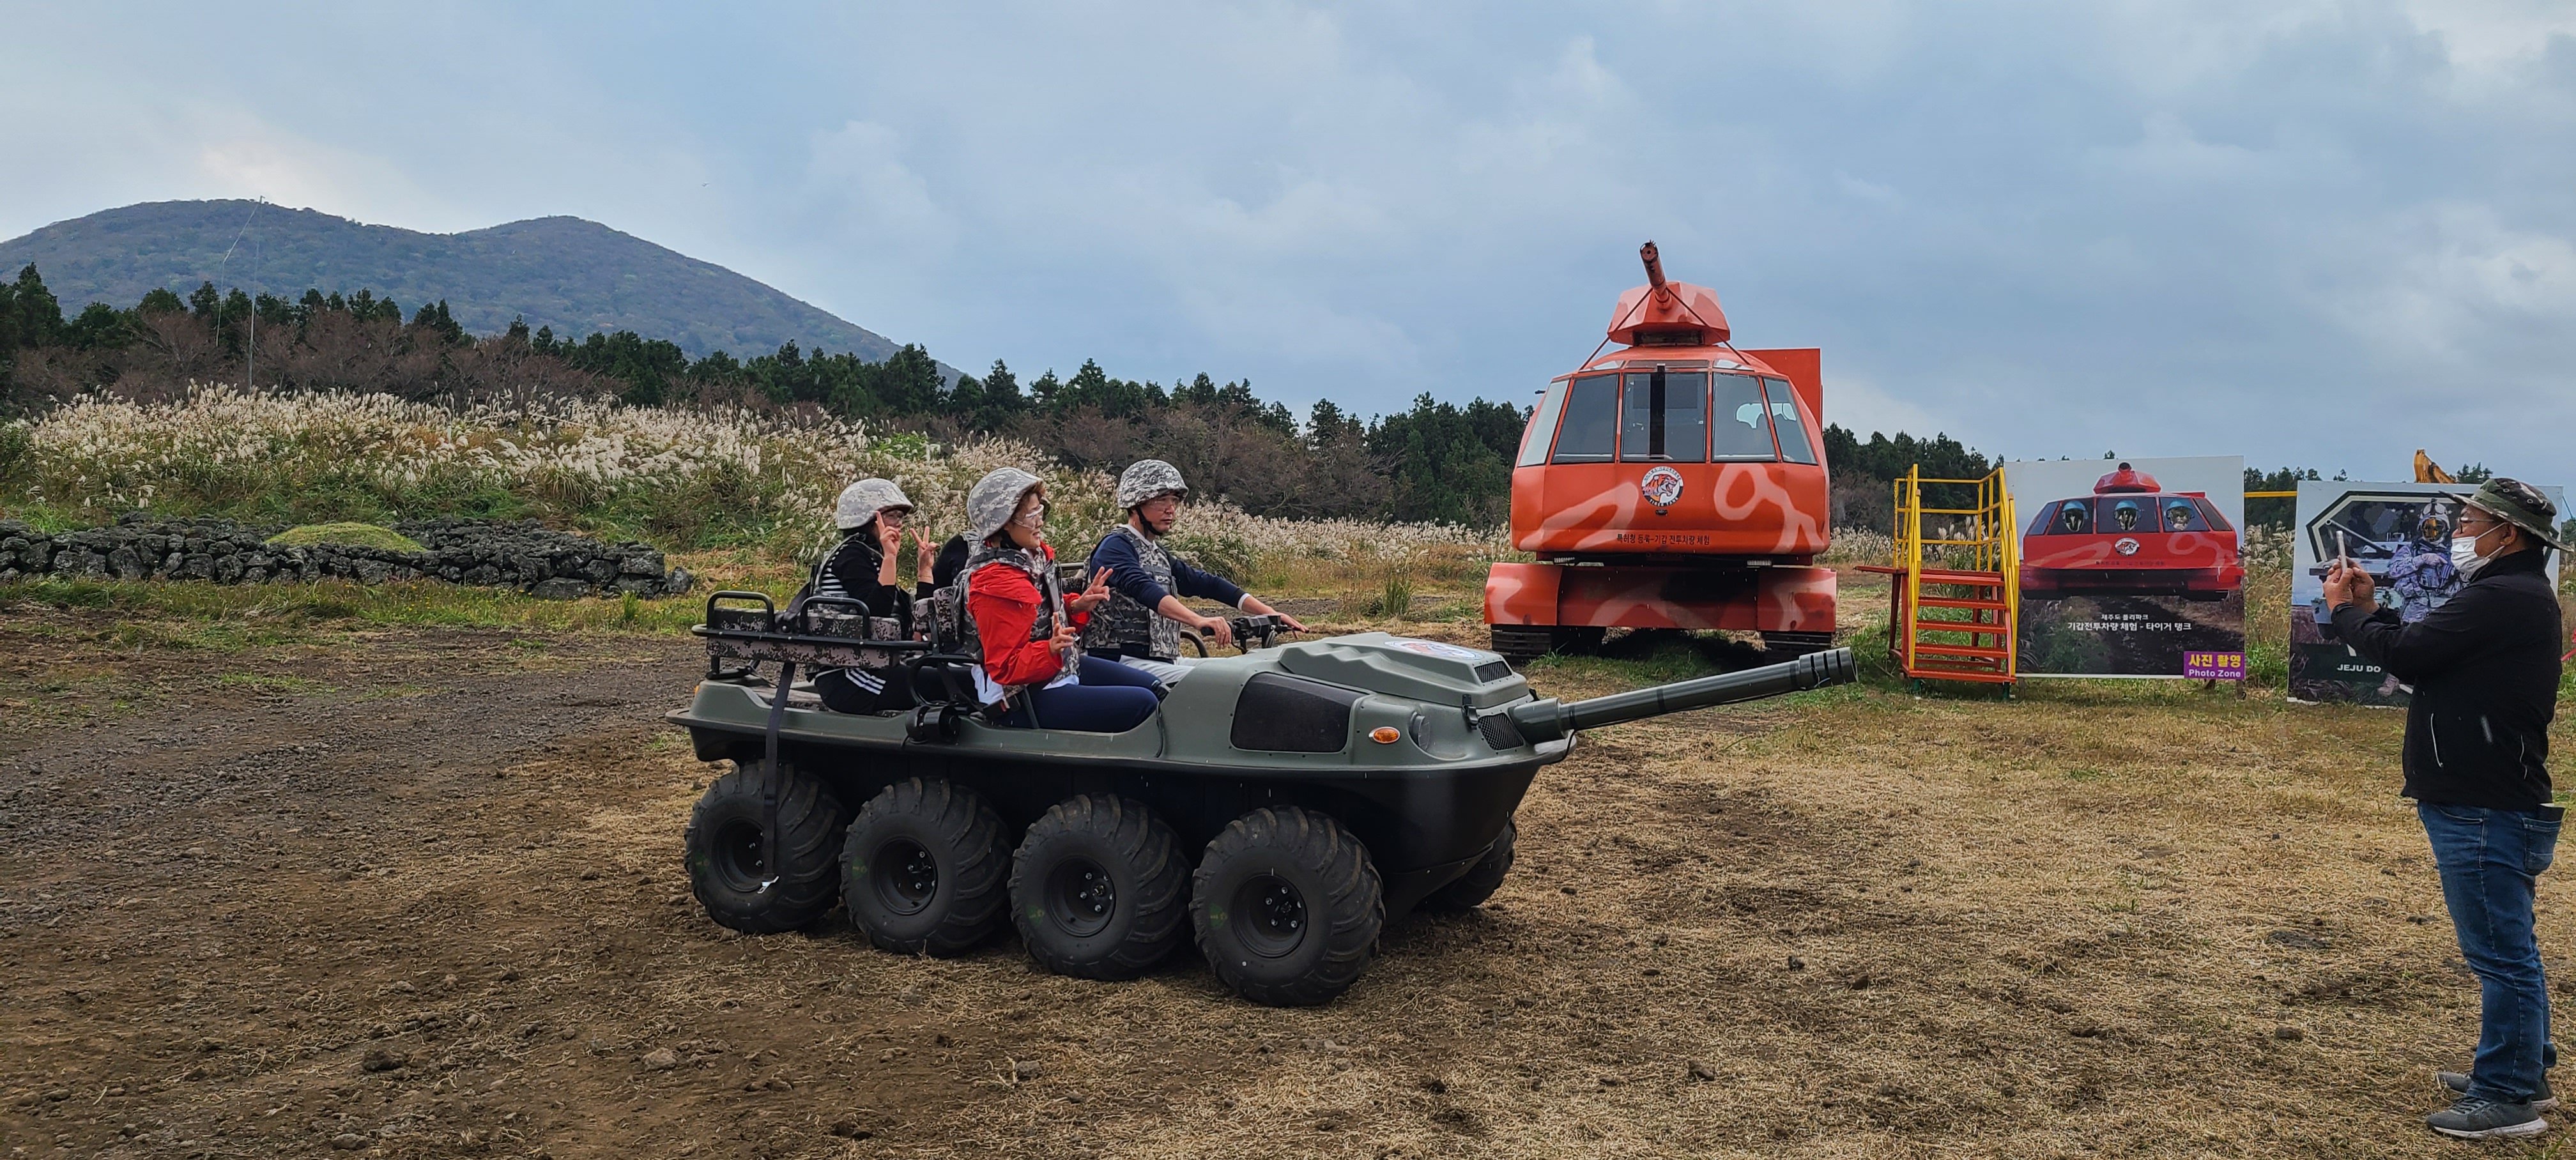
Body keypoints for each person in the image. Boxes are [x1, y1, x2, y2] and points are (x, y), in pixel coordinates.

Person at [2326, 477, 2567, 1140]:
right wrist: (2373, 610)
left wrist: (2347, 612)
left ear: (2507, 533)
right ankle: (2526, 1066)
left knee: (2500, 953)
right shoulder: (2512, 596)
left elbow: (2406, 656)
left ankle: (2509, 1094)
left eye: (2468, 521)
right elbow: (2434, 651)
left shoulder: (2503, 596)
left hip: (2482, 802)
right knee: (2509, 946)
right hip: (2491, 795)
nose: (2458, 532)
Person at [956, 467, 1163, 732]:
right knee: (1144, 703)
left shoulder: (1030, 559)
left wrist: (1077, 606)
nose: (1040, 521)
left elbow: (1037, 616)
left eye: (1040, 511)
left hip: (1056, 669)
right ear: (1003, 522)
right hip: (1019, 696)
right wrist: (1050, 648)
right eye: (1031, 515)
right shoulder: (995, 583)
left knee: (1155, 687)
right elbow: (1006, 668)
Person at [1080, 460, 1309, 683]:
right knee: (1222, 683)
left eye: (1174, 500)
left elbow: (1204, 583)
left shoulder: (1155, 551)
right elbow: (1143, 588)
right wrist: (1198, 620)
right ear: (1134, 504)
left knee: (1245, 675)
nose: (1171, 509)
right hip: (1120, 662)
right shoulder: (1115, 546)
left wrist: (1272, 614)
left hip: (1162, 661)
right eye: (1161, 500)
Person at [804, 478, 938, 714]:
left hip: (875, 665)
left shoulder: (869, 556)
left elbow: (917, 625)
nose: (899, 524)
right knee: (954, 685)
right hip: (850, 677)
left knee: (956, 677)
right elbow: (876, 613)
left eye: (900, 517)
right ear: (868, 519)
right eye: (892, 516)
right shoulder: (851, 555)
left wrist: (924, 569)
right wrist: (890, 559)